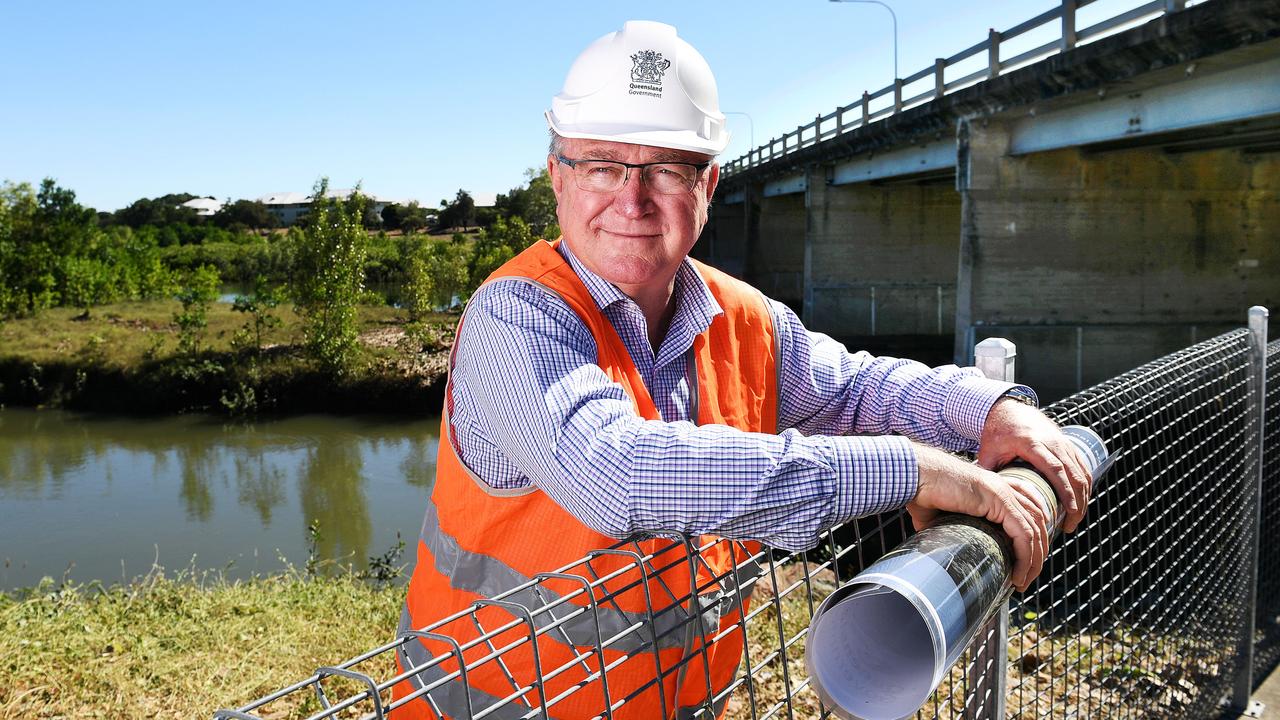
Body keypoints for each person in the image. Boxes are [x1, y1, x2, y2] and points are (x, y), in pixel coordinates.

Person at [393, 20, 1091, 720]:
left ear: (708, 184)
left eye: (666, 169)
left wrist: (991, 409)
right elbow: (619, 472)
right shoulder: (515, 317)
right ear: (557, 179)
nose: (632, 202)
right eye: (602, 166)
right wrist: (914, 470)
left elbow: (853, 388)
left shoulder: (742, 316)